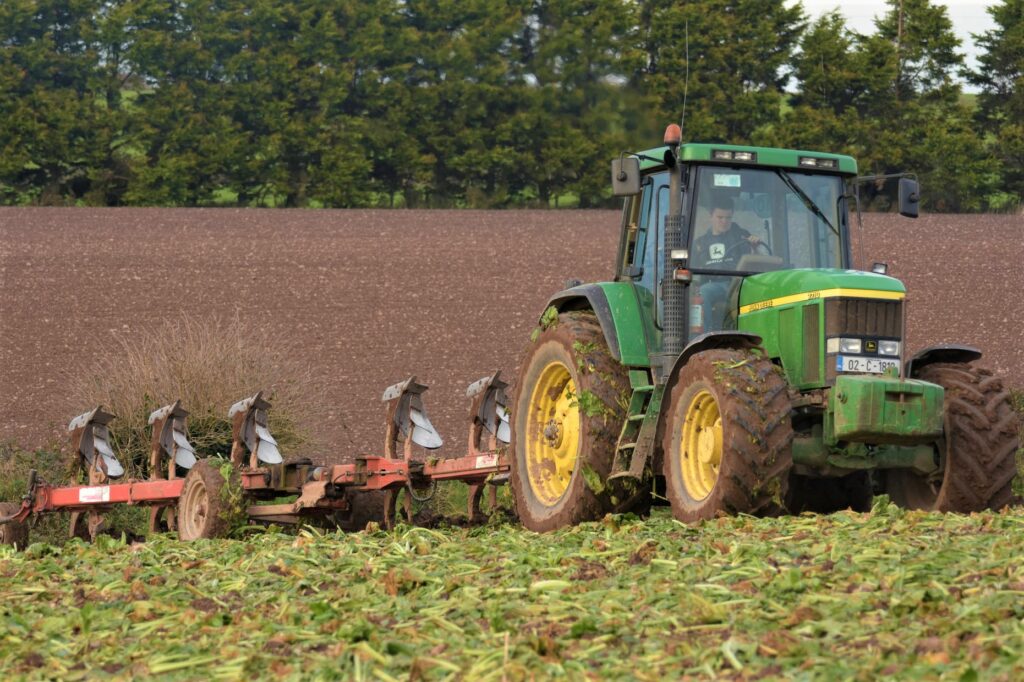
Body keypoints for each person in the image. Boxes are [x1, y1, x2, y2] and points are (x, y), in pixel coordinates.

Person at [691, 199, 761, 331]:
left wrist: (754, 247)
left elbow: (755, 261)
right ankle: (703, 337)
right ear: (710, 216)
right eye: (720, 217)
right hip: (714, 285)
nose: (724, 221)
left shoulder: (741, 235)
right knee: (702, 293)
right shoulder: (700, 244)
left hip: (739, 284)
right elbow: (694, 275)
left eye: (728, 217)